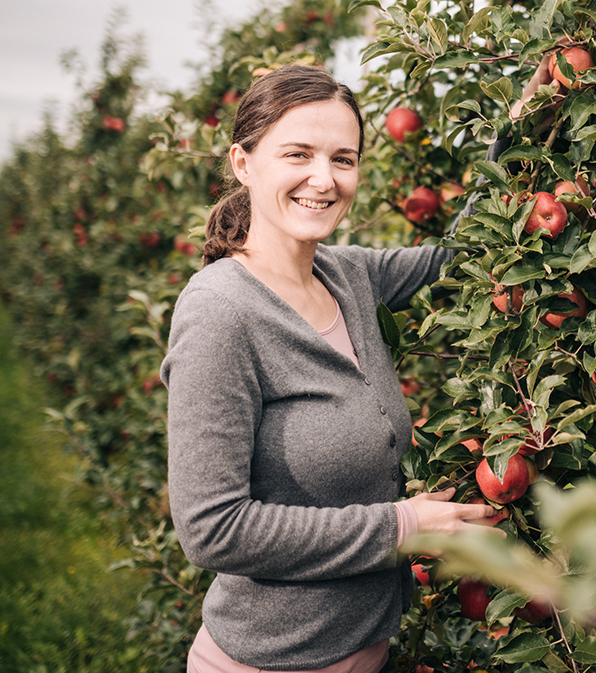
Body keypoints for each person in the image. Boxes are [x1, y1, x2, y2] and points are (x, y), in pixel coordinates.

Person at [163, 64, 500, 673]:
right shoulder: (220, 312)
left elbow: (466, 249)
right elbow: (211, 529)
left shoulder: (348, 275)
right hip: (273, 661)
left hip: (364, 650)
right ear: (243, 163)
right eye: (298, 154)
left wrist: (523, 123)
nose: (324, 179)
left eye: (343, 159)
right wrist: (401, 526)